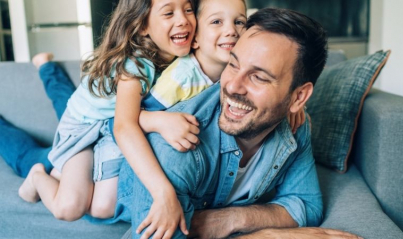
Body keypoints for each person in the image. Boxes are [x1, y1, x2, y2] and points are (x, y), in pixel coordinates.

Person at [109, 7, 329, 239]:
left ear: (298, 97)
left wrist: (230, 219)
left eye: (258, 77)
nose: (232, 86)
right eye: (232, 65)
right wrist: (265, 235)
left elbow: (307, 205)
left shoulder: (294, 123)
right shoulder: (178, 145)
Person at [17, 0, 199, 237]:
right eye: (168, 13)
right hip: (83, 127)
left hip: (105, 123)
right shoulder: (137, 66)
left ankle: (46, 66)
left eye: (188, 9)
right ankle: (37, 176)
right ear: (143, 25)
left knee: (100, 206)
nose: (183, 19)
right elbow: (126, 124)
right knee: (69, 207)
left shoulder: (178, 55)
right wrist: (159, 121)